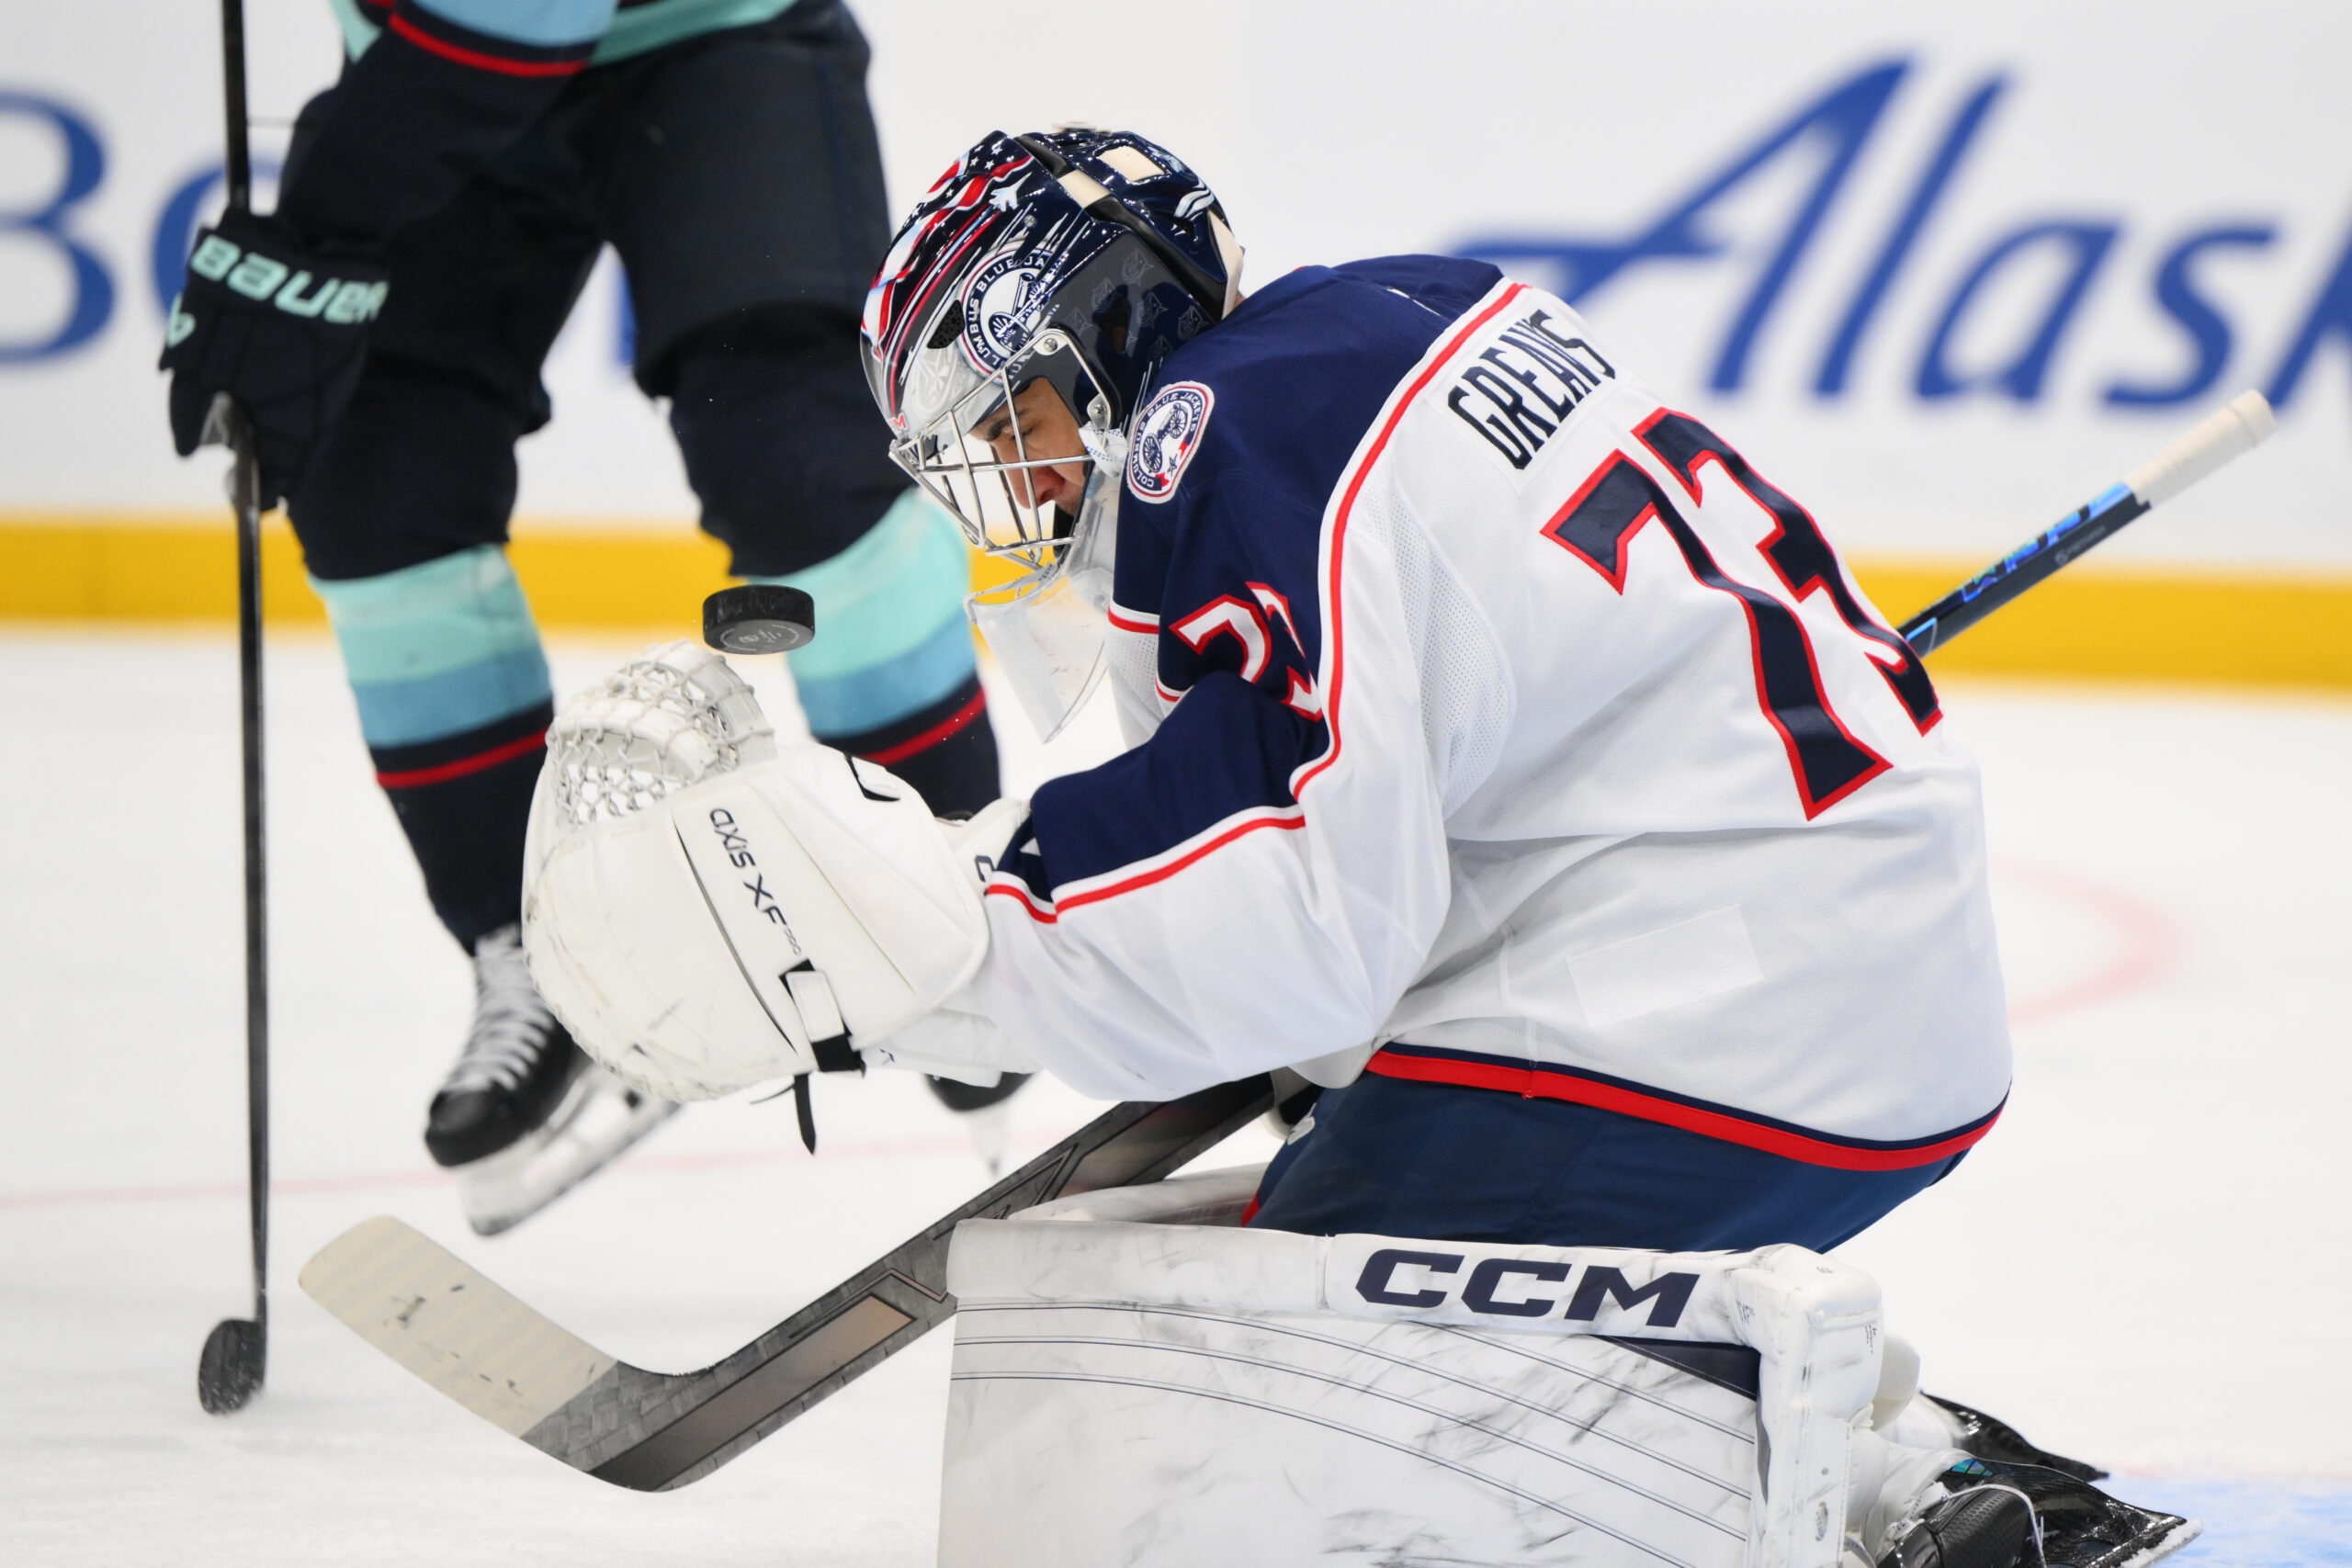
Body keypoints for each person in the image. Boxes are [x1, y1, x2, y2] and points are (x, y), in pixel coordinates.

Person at [519, 128, 2189, 1566]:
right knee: (1363, 1193)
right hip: (1836, 967)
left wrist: (941, 940)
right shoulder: (1395, 314)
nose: (1009, 477)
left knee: (1313, 1339)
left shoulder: (1212, 435)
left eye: (1012, 414)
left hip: (1724, 1009)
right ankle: (1913, 1453)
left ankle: (1894, 1489)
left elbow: (1291, 907)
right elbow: (1391, 825)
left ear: (1111, 331)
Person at [158, 0, 1020, 1233]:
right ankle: (543, 954)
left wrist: (309, 239)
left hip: (714, 34)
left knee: (797, 465)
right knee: (372, 480)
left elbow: (520, 15)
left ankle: (968, 893)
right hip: (433, 46)